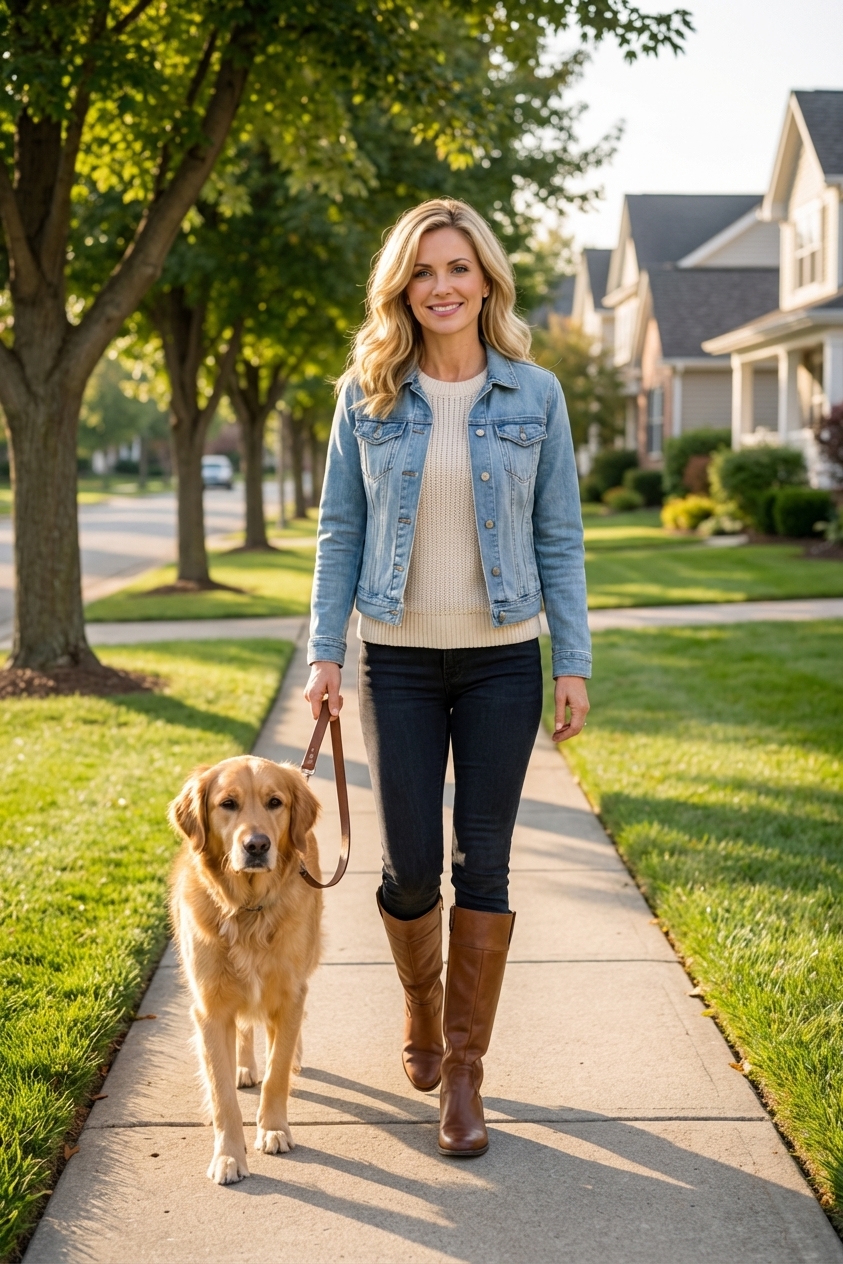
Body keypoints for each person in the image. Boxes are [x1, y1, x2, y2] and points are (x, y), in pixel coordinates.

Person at [305, 198, 590, 1157]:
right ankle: (421, 1014)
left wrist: (572, 664)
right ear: (402, 286)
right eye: (423, 272)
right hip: (396, 662)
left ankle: (462, 1070)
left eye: (458, 269)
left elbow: (560, 537)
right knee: (408, 865)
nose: (441, 287)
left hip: (503, 657)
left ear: (487, 281)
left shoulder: (534, 394)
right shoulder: (366, 393)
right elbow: (339, 530)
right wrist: (325, 653)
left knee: (486, 861)